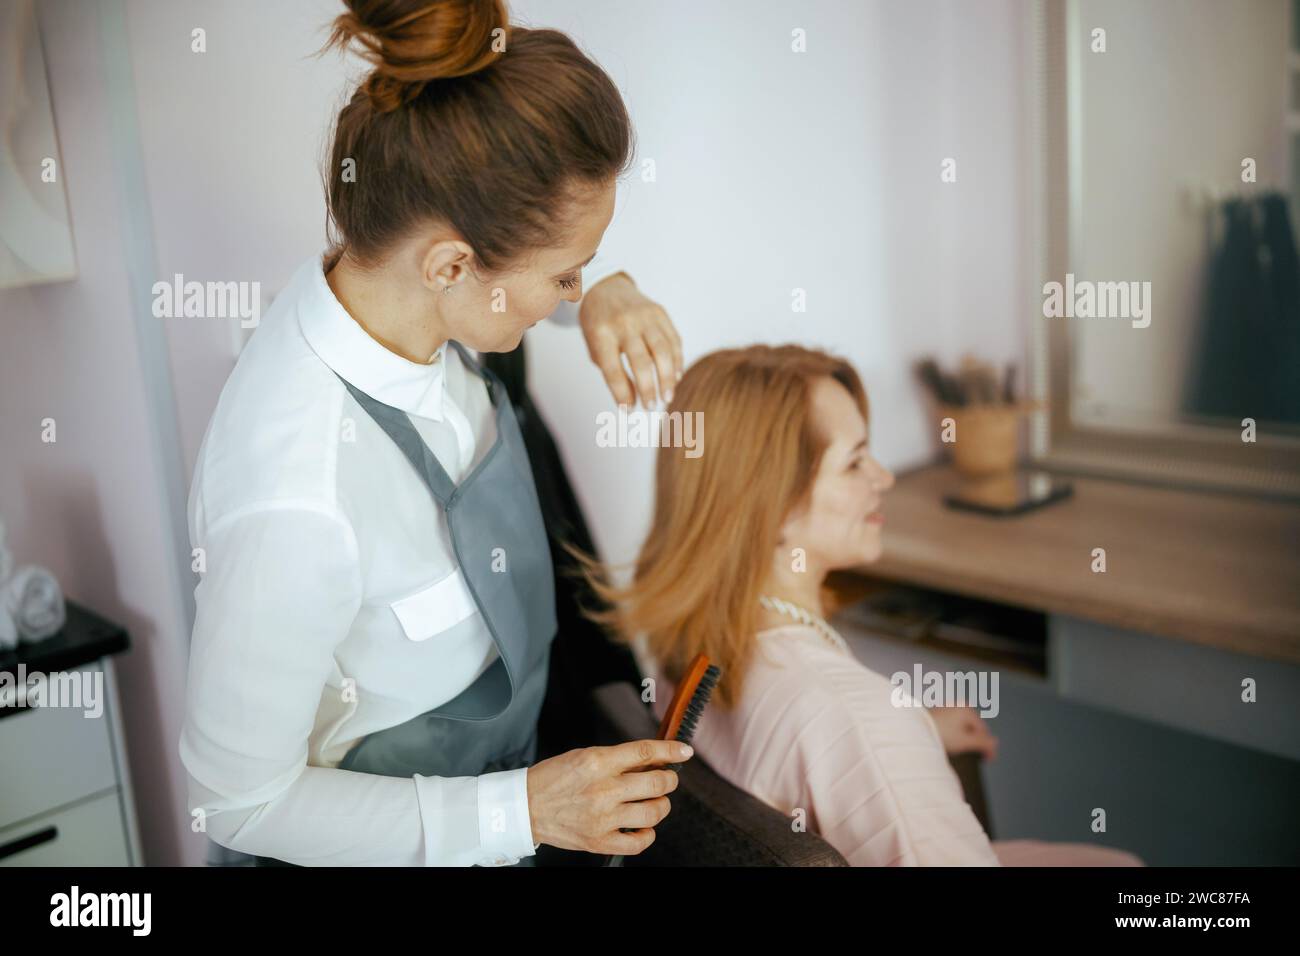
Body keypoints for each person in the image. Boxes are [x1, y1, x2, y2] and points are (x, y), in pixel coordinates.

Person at [179, 0, 692, 867]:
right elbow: (236, 804)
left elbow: (509, 282)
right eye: (567, 276)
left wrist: (607, 294)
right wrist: (519, 811)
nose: (571, 296)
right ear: (452, 265)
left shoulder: (406, 310)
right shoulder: (298, 498)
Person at [587, 344, 1143, 866]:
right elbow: (835, 726)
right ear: (771, 508)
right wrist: (883, 747)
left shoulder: (685, 640)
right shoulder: (858, 721)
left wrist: (901, 738)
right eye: (854, 462)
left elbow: (788, 749)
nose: (885, 476)